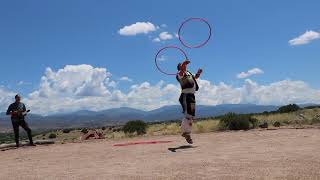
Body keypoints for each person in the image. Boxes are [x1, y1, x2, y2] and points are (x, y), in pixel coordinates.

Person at [176, 60, 202, 144]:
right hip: (185, 96)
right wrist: (184, 63)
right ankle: (185, 132)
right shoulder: (179, 75)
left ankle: (187, 133)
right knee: (188, 115)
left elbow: (195, 77)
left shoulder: (189, 73)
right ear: (180, 68)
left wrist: (198, 73)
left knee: (191, 116)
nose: (184, 66)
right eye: (182, 66)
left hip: (191, 96)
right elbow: (182, 71)